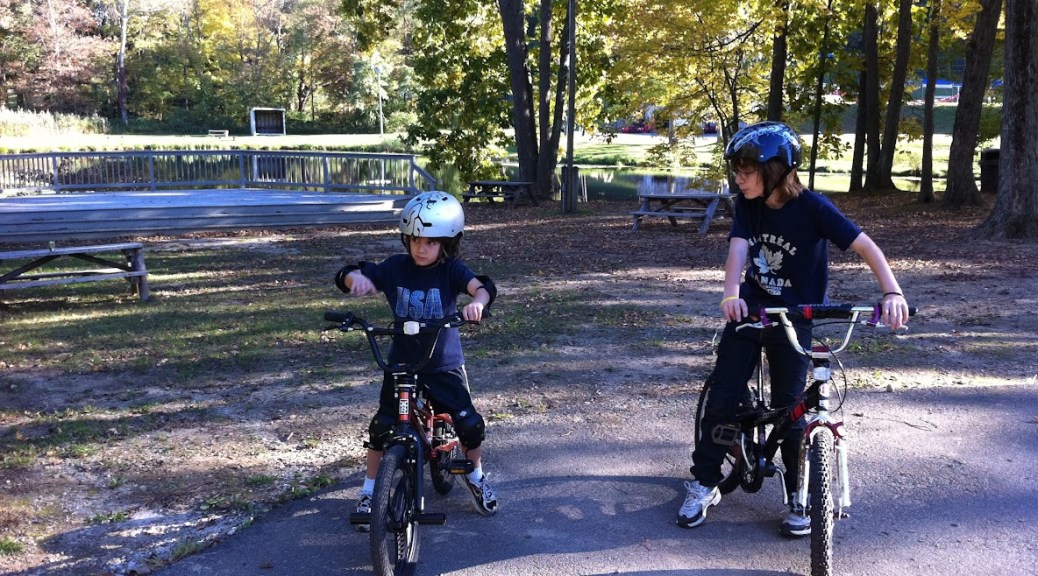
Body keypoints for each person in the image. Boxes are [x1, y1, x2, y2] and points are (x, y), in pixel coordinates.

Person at [677, 121, 910, 536]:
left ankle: (799, 493)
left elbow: (865, 246)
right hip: (751, 313)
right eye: (736, 171)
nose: (738, 179)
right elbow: (738, 252)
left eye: (747, 171)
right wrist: (731, 294)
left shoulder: (814, 208)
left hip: (795, 318)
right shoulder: (747, 205)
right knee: (723, 397)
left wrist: (892, 292)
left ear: (775, 172)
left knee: (792, 408)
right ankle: (705, 483)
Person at [334, 191, 499, 531]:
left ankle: (476, 476)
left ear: (447, 244)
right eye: (414, 240)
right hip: (402, 364)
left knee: (469, 424)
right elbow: (347, 273)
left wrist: (477, 303)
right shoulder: (395, 267)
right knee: (382, 426)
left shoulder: (451, 271)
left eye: (430, 242)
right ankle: (369, 491)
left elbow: (482, 286)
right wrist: (356, 279)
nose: (421, 248)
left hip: (443, 364)